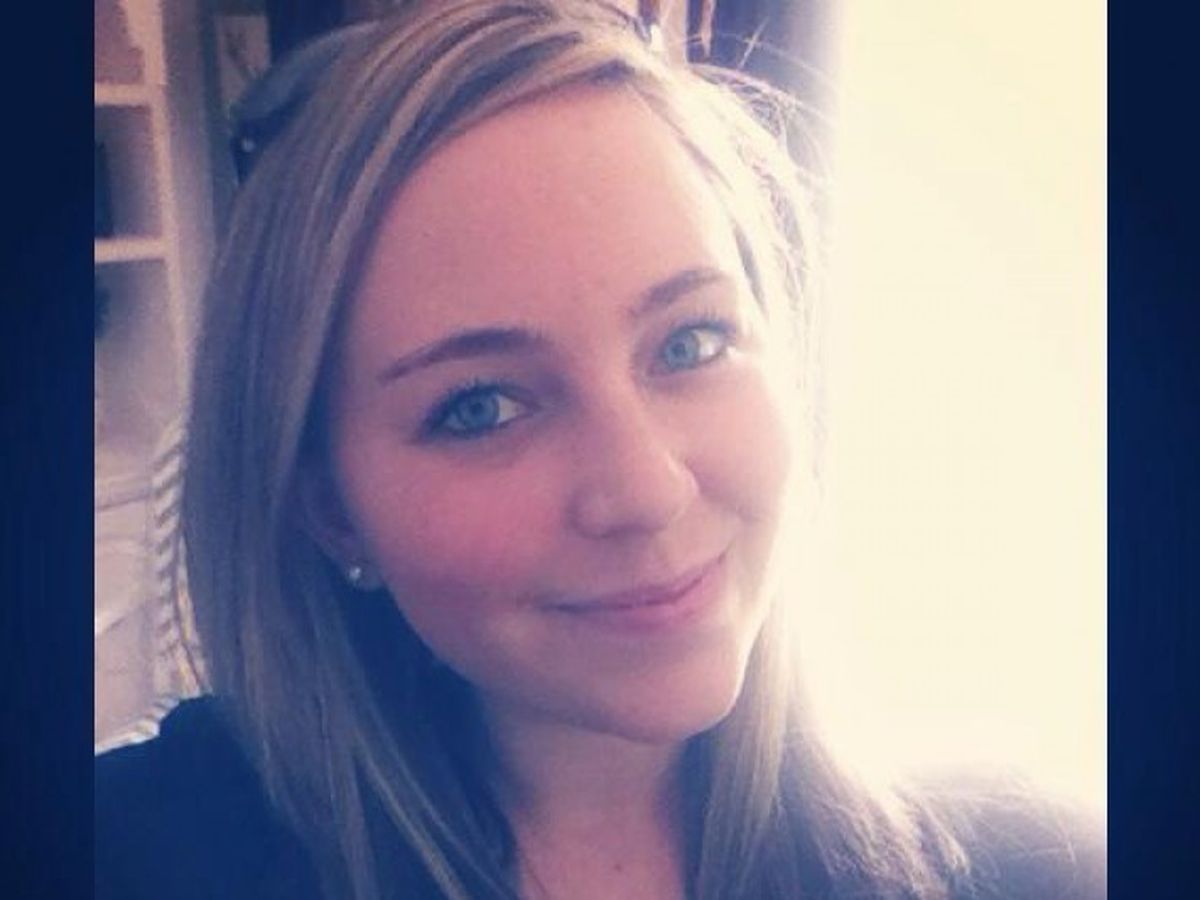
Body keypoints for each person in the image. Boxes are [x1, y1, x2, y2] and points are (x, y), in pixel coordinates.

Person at [95, 2, 1105, 898]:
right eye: (482, 407)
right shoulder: (136, 851)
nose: (647, 489)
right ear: (332, 510)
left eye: (690, 342)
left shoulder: (1041, 866)